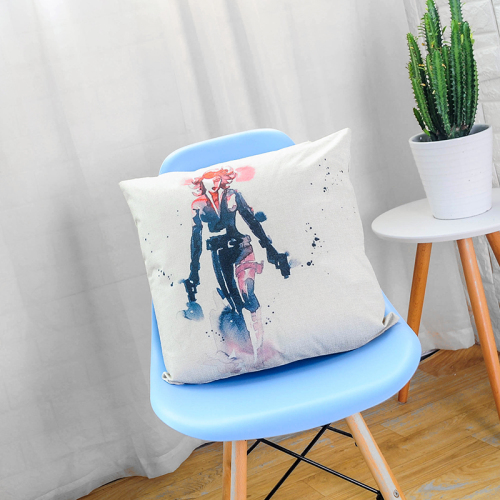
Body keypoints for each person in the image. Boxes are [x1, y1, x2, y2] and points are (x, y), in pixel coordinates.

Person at [183, 166, 290, 356]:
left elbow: (252, 221)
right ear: (201, 182)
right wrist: (194, 271)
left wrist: (270, 249)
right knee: (235, 303)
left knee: (247, 292)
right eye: (208, 178)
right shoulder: (197, 204)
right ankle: (250, 349)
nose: (213, 181)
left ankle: (260, 341)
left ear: (222, 179)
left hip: (242, 248)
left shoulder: (233, 195)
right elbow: (196, 238)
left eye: (216, 177)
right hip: (219, 254)